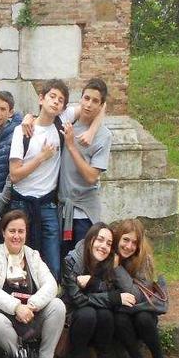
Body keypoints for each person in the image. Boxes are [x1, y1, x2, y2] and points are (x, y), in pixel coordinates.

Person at [0, 210, 65, 358]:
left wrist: (32, 305)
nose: (16, 236)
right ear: (3, 232)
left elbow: (51, 284)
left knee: (57, 306)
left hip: (32, 315)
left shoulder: (33, 256)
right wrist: (16, 307)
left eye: (21, 231)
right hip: (6, 317)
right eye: (12, 231)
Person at [8, 79, 68, 278]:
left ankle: (52, 305)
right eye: (52, 96)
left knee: (52, 265)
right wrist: (41, 158)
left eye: (60, 100)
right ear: (41, 99)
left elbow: (93, 105)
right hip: (21, 203)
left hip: (47, 204)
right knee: (17, 265)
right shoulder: (22, 131)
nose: (56, 102)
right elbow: (15, 175)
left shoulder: (60, 127)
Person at [61, 222, 130, 358]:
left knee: (105, 313)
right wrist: (113, 297)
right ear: (90, 240)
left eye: (108, 243)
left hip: (99, 319)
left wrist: (91, 282)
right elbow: (78, 299)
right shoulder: (71, 260)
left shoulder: (109, 264)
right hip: (73, 315)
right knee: (88, 312)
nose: (104, 246)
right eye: (100, 240)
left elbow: (112, 293)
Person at [112, 218, 172, 358]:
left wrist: (117, 269)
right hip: (121, 313)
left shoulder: (144, 259)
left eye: (134, 242)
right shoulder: (109, 255)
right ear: (118, 238)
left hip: (141, 310)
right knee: (120, 319)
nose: (129, 246)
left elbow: (136, 296)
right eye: (125, 240)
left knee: (143, 318)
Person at [59, 78, 113, 256]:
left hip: (84, 213)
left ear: (101, 106)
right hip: (60, 210)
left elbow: (91, 177)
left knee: (82, 264)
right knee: (60, 266)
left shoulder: (103, 136)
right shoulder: (68, 122)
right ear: (80, 99)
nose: (89, 104)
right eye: (86, 98)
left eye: (95, 101)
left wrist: (72, 146)